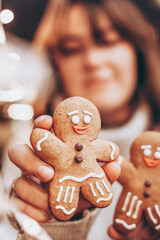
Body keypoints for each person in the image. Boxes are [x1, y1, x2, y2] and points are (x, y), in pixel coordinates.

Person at [7, 0, 160, 239]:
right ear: (56, 64)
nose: (92, 61)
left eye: (108, 41)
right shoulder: (28, 160)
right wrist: (49, 229)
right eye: (71, 49)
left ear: (137, 48)